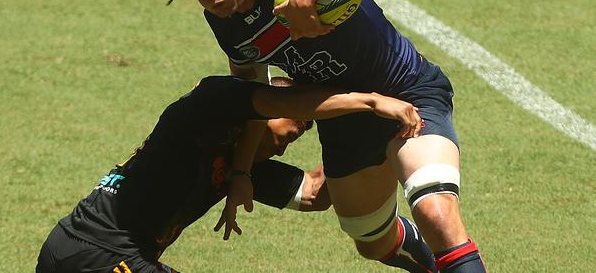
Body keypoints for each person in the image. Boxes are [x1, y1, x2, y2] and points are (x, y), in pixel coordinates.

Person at [119, 0, 488, 272]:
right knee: (371, 239)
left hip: (407, 89)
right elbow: (251, 99)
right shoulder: (225, 23)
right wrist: (242, 172)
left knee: (433, 212)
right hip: (346, 121)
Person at [36, 75, 424, 273]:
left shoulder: (241, 169)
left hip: (78, 249)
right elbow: (250, 96)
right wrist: (368, 100)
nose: (291, 139)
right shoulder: (199, 121)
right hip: (99, 252)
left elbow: (315, 194)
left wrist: (374, 139)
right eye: (299, 123)